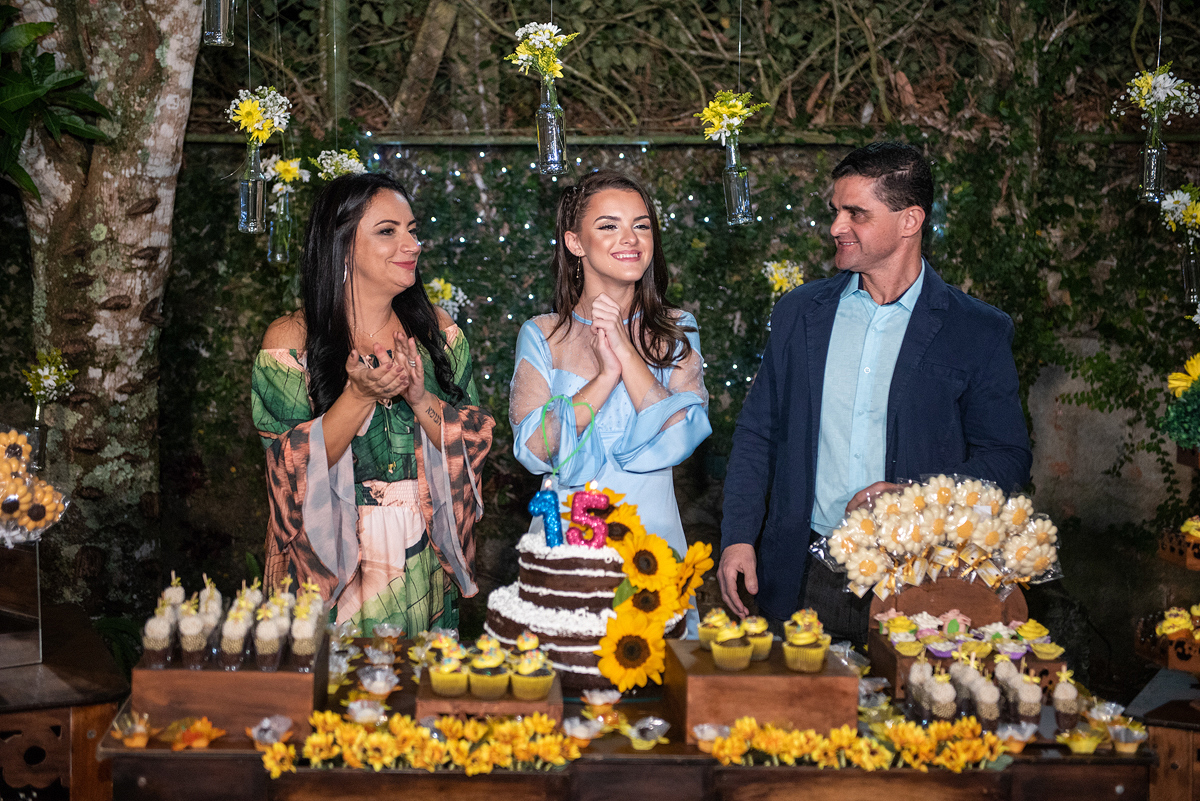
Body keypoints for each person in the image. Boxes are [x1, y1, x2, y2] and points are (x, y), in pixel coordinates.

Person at [718, 142, 1032, 645]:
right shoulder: (799, 313)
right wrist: (738, 536)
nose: (836, 226)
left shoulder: (977, 330)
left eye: (856, 213)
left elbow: (1007, 458)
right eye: (835, 211)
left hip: (921, 579)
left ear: (910, 221)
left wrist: (917, 495)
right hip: (801, 574)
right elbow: (758, 433)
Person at [253, 173, 495, 635]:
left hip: (423, 554)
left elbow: (472, 442)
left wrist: (419, 397)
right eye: (388, 231)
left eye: (413, 230)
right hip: (329, 560)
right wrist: (359, 396)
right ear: (342, 246)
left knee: (415, 677)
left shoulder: (438, 334)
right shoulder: (291, 340)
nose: (412, 244)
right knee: (334, 679)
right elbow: (285, 467)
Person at [509, 170, 711, 634]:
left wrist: (624, 349)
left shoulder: (678, 328)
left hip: (653, 542)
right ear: (574, 242)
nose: (631, 239)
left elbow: (681, 436)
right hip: (566, 541)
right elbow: (534, 449)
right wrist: (604, 378)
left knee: (655, 666)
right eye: (608, 226)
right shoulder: (542, 334)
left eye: (641, 225)